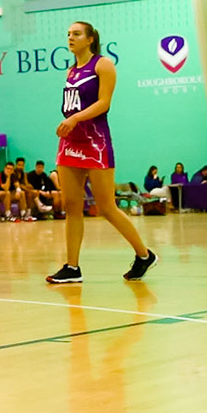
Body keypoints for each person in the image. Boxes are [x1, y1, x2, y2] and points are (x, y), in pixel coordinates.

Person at [45, 21, 156, 285]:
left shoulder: (103, 64)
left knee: (106, 206)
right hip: (70, 142)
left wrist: (75, 119)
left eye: (76, 34)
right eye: (68, 33)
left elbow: (104, 102)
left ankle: (144, 255)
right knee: (72, 206)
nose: (70, 37)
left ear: (90, 39)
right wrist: (69, 123)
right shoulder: (70, 71)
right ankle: (72, 267)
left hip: (95, 142)